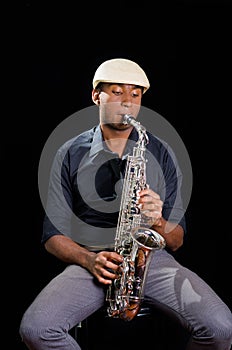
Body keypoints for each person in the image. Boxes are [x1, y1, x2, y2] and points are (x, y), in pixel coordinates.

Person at [19, 58, 232, 350]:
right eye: (117, 92)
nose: (128, 102)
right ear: (96, 95)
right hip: (94, 262)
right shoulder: (68, 152)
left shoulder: (162, 151)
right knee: (37, 328)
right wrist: (89, 260)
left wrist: (156, 219)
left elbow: (177, 239)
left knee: (220, 327)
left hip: (150, 261)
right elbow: (52, 236)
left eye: (135, 94)